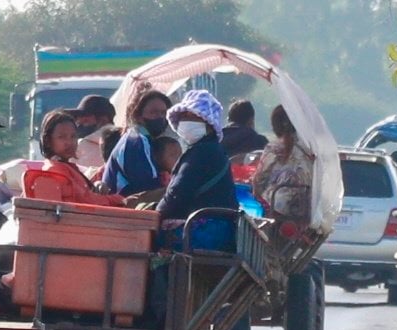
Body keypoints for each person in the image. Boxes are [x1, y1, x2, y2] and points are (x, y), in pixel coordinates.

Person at [156, 89, 238, 248]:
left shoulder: (202, 152)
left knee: (148, 238)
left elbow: (177, 194)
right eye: (183, 117)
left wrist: (154, 214)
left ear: (208, 123)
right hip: (220, 230)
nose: (184, 121)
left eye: (191, 116)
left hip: (205, 232)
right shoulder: (213, 150)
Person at [37, 110, 125, 207]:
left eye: (73, 136)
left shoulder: (65, 167)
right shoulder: (55, 170)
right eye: (61, 137)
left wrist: (96, 185)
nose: (69, 142)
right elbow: (86, 201)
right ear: (48, 141)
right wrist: (122, 199)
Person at [102, 88, 173, 197]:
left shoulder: (141, 139)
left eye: (163, 113)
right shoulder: (137, 141)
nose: (160, 117)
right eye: (153, 112)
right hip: (122, 207)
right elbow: (149, 185)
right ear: (138, 116)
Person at [251, 104, 314, 221]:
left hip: (277, 208)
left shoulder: (273, 148)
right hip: (306, 210)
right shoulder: (311, 149)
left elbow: (259, 181)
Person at [65, 94, 118, 172]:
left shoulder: (79, 147)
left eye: (86, 121)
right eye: (78, 123)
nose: (80, 126)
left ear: (103, 120)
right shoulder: (124, 142)